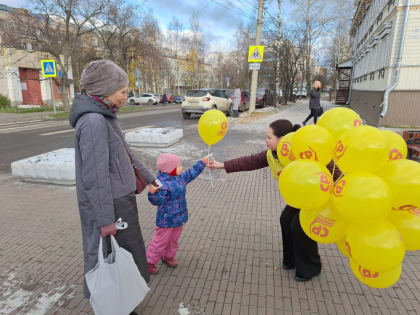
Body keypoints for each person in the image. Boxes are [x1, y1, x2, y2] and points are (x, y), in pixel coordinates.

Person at [69, 60, 159, 304]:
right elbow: (95, 177)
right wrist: (106, 219)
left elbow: (126, 153)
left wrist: (150, 178)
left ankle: (125, 301)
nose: (125, 96)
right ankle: (115, 304)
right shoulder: (93, 121)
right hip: (110, 205)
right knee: (112, 259)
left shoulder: (105, 116)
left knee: (127, 256)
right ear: (105, 90)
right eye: (122, 92)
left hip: (119, 200)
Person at [209, 119, 340, 282]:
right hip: (300, 197)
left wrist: (339, 193)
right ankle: (291, 261)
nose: (266, 140)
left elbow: (333, 169)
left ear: (283, 139)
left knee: (299, 226)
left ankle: (311, 268)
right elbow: (250, 161)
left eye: (269, 137)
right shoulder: (272, 154)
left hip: (319, 196)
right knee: (286, 220)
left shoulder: (303, 150)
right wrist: (221, 165)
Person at [146, 153, 210, 274]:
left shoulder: (179, 178)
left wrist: (202, 163)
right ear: (170, 169)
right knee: (160, 241)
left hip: (178, 217)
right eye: (179, 165)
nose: (182, 168)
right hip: (166, 220)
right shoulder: (161, 184)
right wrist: (153, 193)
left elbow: (191, 173)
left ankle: (168, 256)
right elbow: (157, 201)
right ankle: (149, 261)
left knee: (173, 240)